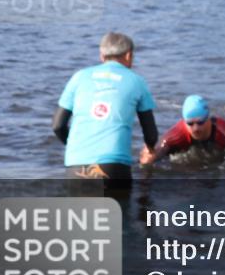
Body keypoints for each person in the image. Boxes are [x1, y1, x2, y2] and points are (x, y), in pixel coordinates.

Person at [53, 32, 158, 188]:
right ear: (128, 55)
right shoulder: (136, 81)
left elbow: (58, 126)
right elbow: (150, 133)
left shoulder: (79, 77)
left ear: (102, 56)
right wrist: (150, 149)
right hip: (114, 167)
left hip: (76, 166)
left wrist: (75, 147)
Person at [140, 95, 225, 166]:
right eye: (190, 123)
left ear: (208, 118)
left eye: (200, 122)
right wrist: (149, 156)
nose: (196, 128)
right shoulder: (175, 136)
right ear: (184, 121)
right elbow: (154, 154)